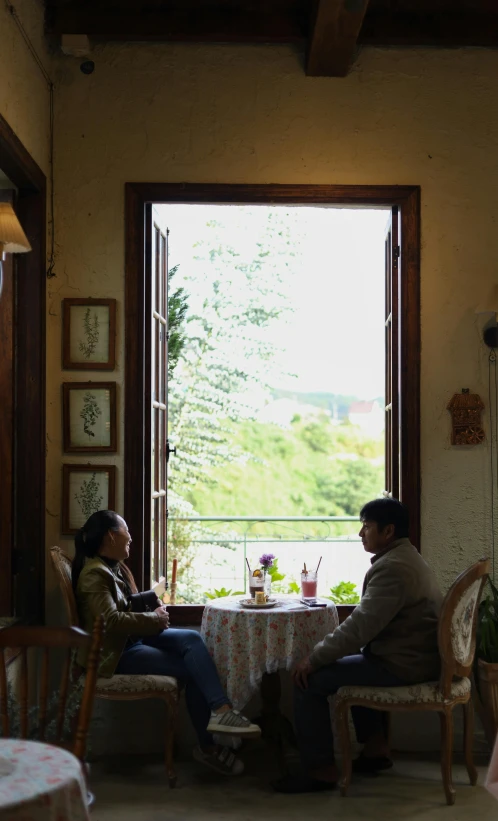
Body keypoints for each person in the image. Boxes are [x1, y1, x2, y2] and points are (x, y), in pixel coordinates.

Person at [73, 510, 261, 777]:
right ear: (111, 535)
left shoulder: (109, 567)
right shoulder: (94, 574)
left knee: (192, 639)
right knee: (193, 671)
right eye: (126, 530)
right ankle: (209, 746)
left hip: (129, 640)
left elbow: (123, 604)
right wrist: (154, 619)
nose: (130, 537)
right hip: (116, 654)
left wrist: (154, 597)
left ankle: (221, 710)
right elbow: (111, 621)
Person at [274, 497, 443, 793]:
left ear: (388, 531)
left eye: (366, 527)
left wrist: (312, 659)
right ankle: (376, 750)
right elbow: (364, 626)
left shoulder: (394, 569)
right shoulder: (405, 557)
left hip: (404, 665)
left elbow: (360, 627)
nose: (360, 534)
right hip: (412, 656)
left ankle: (320, 770)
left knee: (309, 679)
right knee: (351, 660)